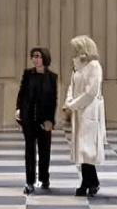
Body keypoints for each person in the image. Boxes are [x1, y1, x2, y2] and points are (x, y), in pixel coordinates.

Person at [63, 35, 107, 196]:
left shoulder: (94, 66)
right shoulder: (78, 65)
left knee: (87, 149)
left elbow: (91, 92)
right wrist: (68, 101)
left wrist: (73, 104)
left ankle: (89, 182)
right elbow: (71, 86)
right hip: (79, 111)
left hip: (89, 111)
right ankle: (89, 181)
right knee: (81, 149)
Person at [15, 47, 58, 194]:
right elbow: (22, 93)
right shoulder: (28, 74)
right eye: (34, 56)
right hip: (29, 118)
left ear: (44, 58)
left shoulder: (52, 77)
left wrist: (51, 120)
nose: (36, 60)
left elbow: (53, 100)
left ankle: (44, 178)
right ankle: (30, 181)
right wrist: (18, 109)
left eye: (38, 56)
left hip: (44, 119)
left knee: (44, 150)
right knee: (29, 151)